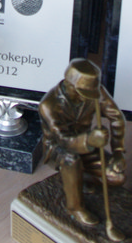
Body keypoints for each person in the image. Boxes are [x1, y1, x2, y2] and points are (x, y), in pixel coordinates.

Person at [38, 59, 126, 227]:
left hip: (88, 147)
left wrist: (118, 152)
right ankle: (75, 207)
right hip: (58, 149)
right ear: (69, 84)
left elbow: (117, 118)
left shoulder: (94, 92)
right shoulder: (49, 105)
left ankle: (80, 179)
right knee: (71, 160)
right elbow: (62, 140)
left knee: (117, 177)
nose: (86, 98)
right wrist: (89, 140)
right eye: (82, 92)